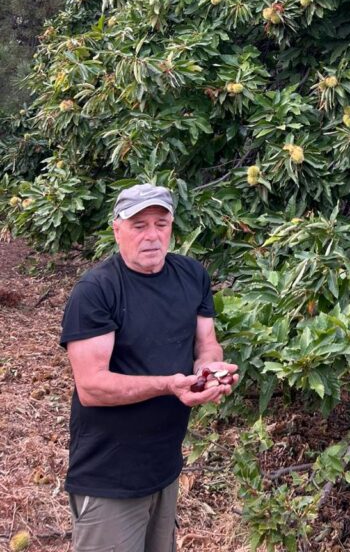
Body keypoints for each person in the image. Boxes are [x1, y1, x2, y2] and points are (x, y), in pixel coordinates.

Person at [60, 183, 239, 552]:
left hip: (164, 466)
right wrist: (169, 385)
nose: (152, 236)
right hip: (110, 475)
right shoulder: (97, 291)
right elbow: (91, 387)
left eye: (161, 223)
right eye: (139, 225)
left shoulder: (192, 275)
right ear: (117, 230)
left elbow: (206, 343)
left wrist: (209, 372)